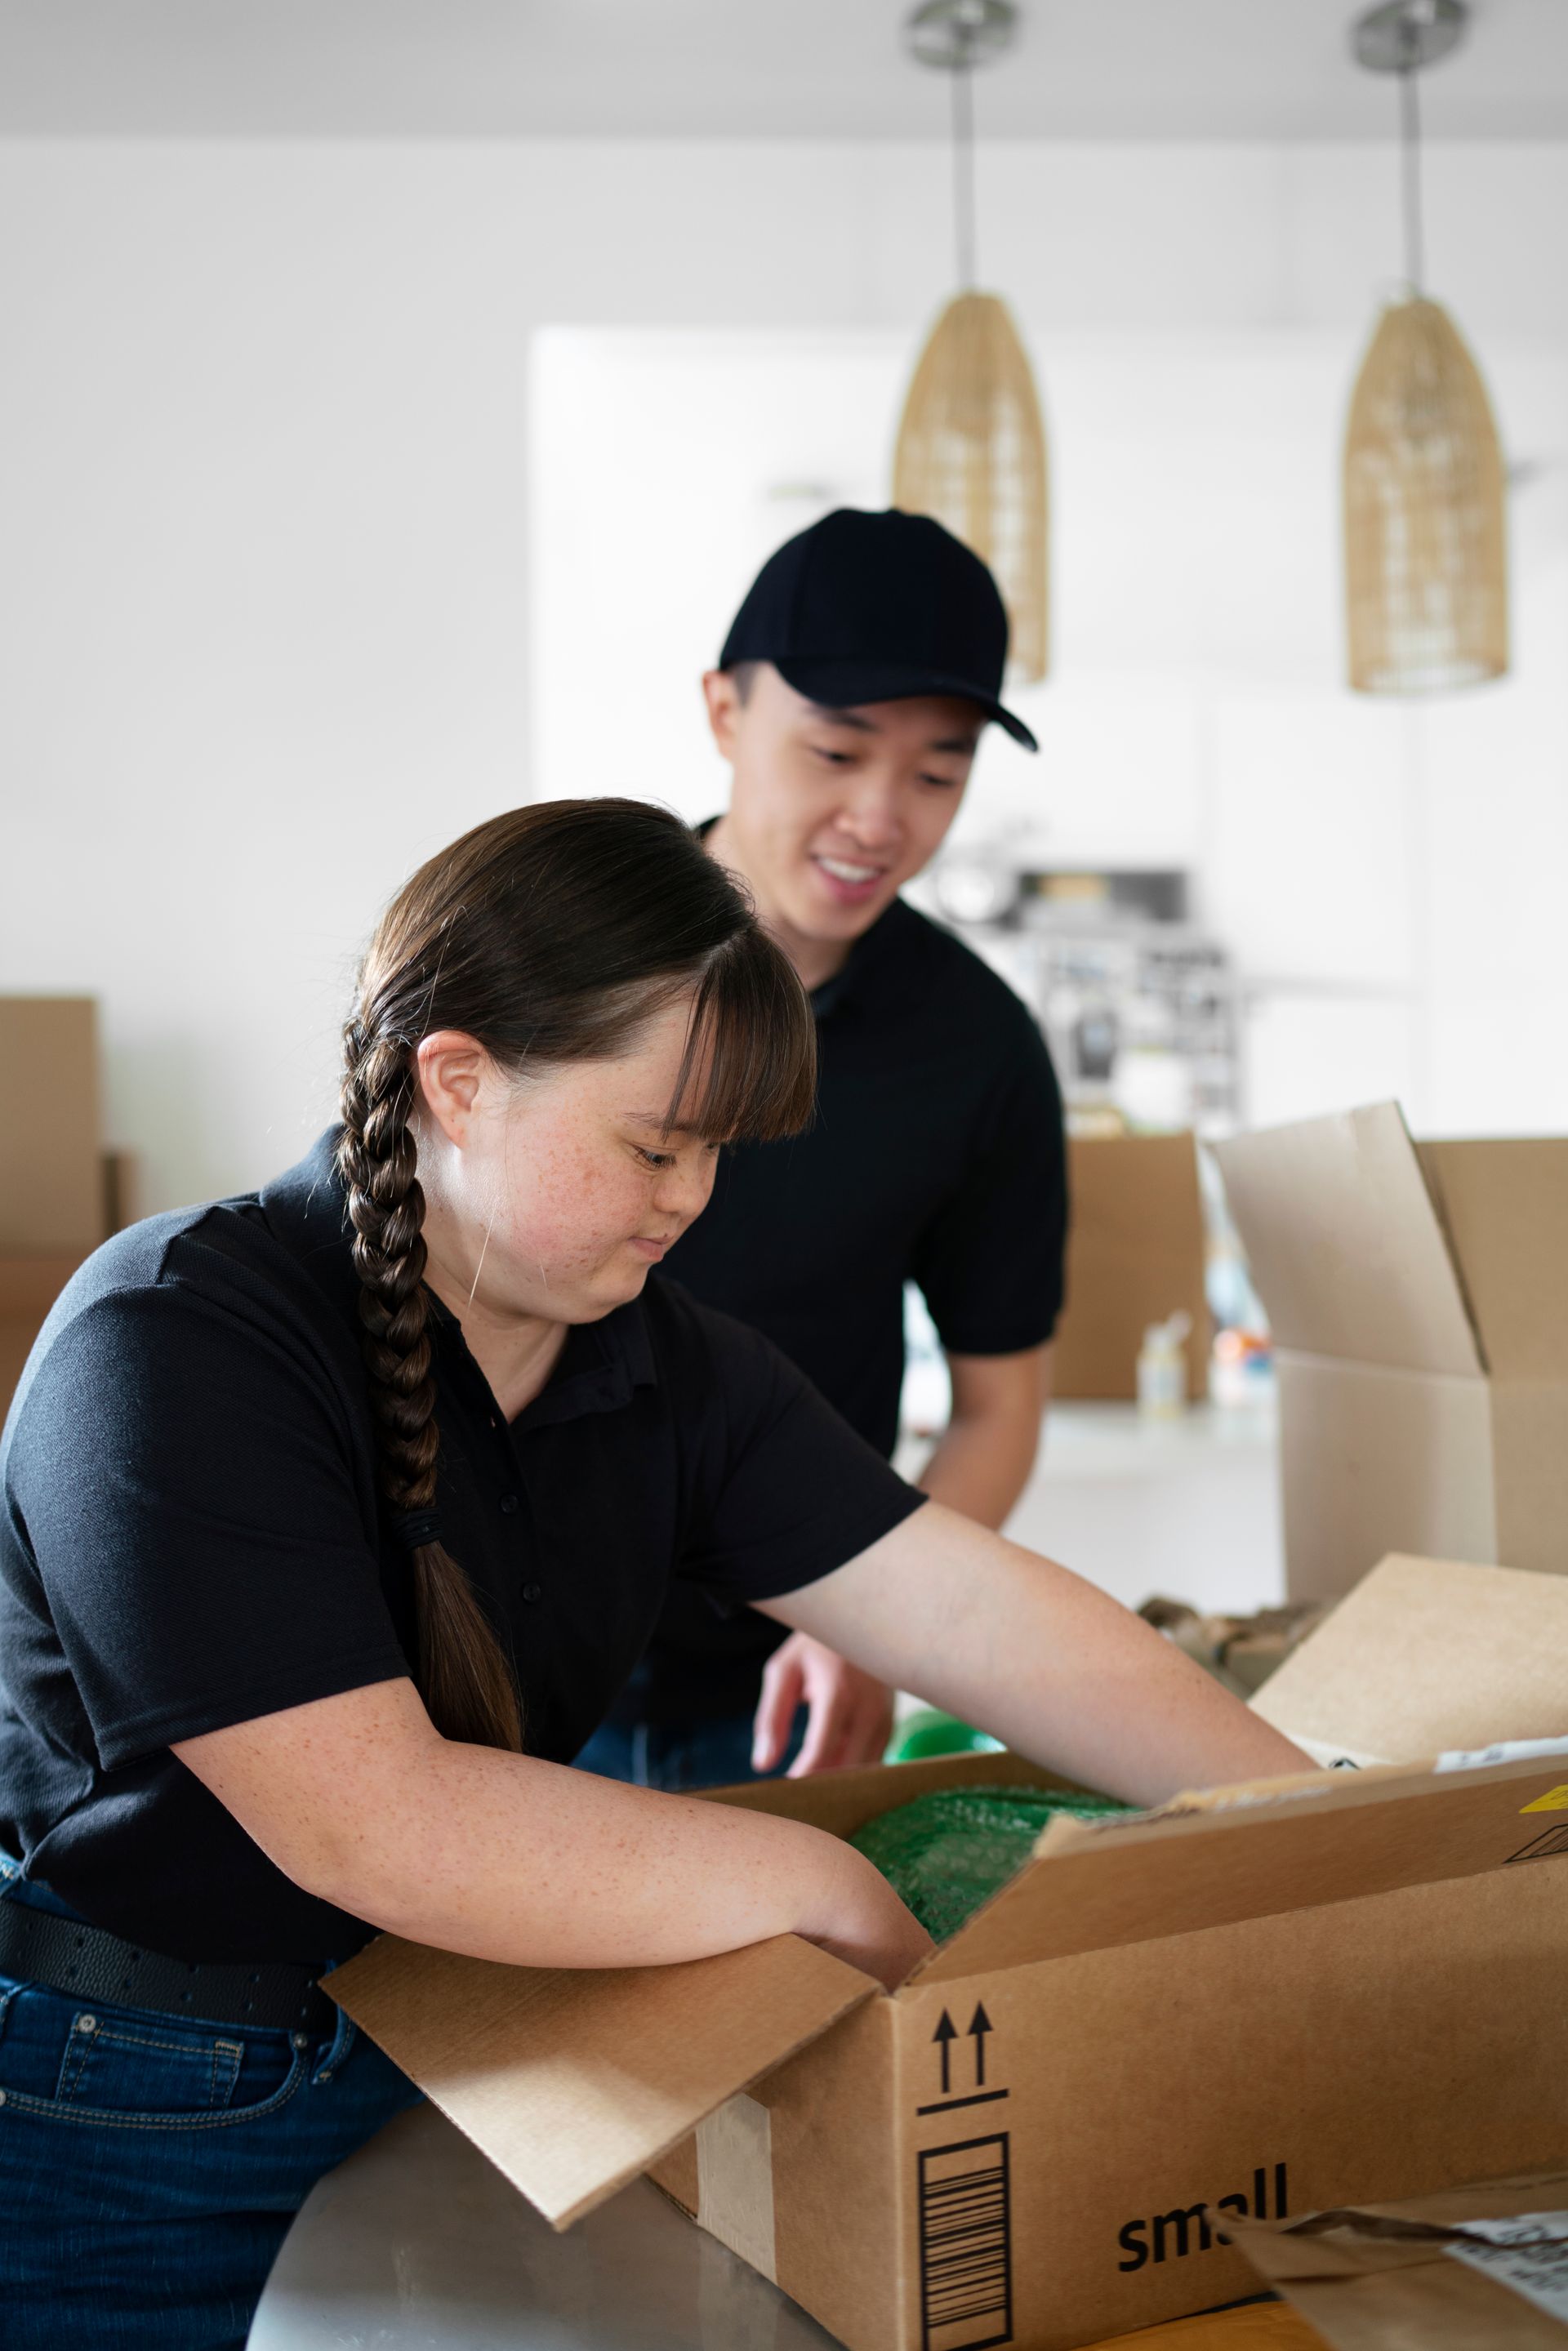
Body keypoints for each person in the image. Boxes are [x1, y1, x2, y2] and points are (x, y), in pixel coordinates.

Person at [0, 799, 1311, 2351]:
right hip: (118, 2077)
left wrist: (1306, 1826)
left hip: (438, 2024)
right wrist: (823, 1881)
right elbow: (378, 1821)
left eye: (713, 1152)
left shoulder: (663, 1365)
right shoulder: (173, 1344)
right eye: (652, 1142)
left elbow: (969, 1609)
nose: (693, 1196)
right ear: (460, 1081)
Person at [578, 509, 1068, 1791]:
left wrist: (877, 1618)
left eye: (936, 773)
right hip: (487, 1666)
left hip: (778, 1704)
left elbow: (999, 1407)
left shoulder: (979, 1044)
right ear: (725, 713)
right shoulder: (558, 957)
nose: (879, 818)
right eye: (838, 751)